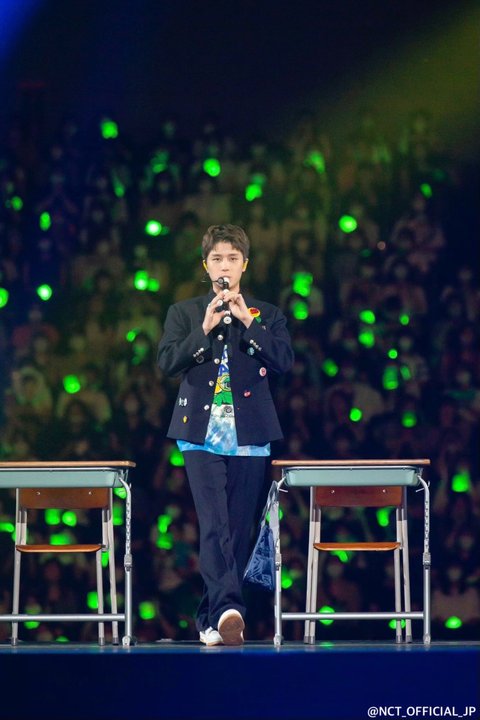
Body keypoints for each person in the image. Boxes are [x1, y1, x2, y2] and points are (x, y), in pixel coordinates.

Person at [157, 224, 294, 645]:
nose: (224, 266)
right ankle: (231, 609)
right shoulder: (184, 313)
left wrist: (247, 323)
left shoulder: (266, 314)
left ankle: (211, 618)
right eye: (216, 258)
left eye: (232, 258)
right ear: (206, 265)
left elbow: (285, 361)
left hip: (250, 435)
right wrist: (202, 330)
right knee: (214, 523)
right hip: (199, 435)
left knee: (238, 530)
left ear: (244, 266)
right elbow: (167, 363)